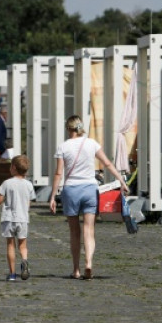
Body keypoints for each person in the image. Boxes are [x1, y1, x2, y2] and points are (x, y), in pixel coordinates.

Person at [48, 115, 128, 280]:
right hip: (90, 189)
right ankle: (89, 263)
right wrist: (121, 181)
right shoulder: (91, 143)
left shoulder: (63, 147)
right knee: (89, 230)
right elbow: (107, 163)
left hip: (70, 190)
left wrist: (52, 196)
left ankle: (76, 270)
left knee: (74, 232)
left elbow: (58, 173)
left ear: (68, 128)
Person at [0, 154, 35, 281]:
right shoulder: (28, 185)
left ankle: (12, 274)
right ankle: (24, 260)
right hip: (23, 218)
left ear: (14, 168)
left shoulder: (7, 183)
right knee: (23, 245)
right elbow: (29, 202)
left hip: (9, 218)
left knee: (10, 245)